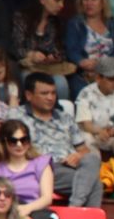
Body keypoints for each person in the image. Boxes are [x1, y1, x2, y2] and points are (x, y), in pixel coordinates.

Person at [18, 72, 102, 210]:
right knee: (96, 184)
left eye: (53, 93)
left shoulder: (65, 118)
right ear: (29, 95)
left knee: (92, 157)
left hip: (69, 167)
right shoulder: (17, 116)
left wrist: (77, 156)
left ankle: (74, 209)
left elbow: (83, 150)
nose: (50, 98)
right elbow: (12, 147)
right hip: (41, 168)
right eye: (44, 93)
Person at [11, 0, 74, 98]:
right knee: (30, 82)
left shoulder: (57, 23)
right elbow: (15, 47)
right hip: (28, 67)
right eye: (57, 0)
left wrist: (54, 57)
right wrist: (31, 54)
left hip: (50, 68)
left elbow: (62, 52)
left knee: (62, 84)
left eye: (63, 1)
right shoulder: (21, 18)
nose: (61, 5)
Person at [74, 57, 114, 168]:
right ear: (98, 78)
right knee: (86, 138)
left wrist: (111, 132)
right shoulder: (85, 93)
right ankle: (96, 176)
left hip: (112, 135)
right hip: (92, 133)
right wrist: (99, 131)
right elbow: (86, 125)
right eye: (112, 79)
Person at [64, 0, 114, 80]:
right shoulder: (75, 24)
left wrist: (100, 65)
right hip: (83, 72)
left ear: (102, 3)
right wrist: (82, 62)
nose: (89, 3)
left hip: (110, 72)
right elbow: (71, 50)